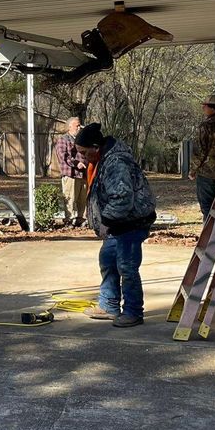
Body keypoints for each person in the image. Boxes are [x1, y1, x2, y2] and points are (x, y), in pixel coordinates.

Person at [75, 122, 157, 328]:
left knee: (126, 267)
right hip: (117, 223)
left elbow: (122, 197)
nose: (81, 157)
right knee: (108, 259)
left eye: (84, 152)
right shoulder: (103, 159)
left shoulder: (116, 163)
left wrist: (106, 220)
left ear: (96, 147)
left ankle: (133, 312)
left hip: (131, 222)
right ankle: (109, 305)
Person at [54, 116, 87, 226]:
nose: (79, 128)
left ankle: (81, 219)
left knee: (83, 199)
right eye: (77, 125)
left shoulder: (81, 140)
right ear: (69, 127)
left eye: (80, 126)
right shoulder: (63, 139)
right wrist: (77, 163)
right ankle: (70, 220)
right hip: (70, 174)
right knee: (70, 198)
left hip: (83, 174)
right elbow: (63, 156)